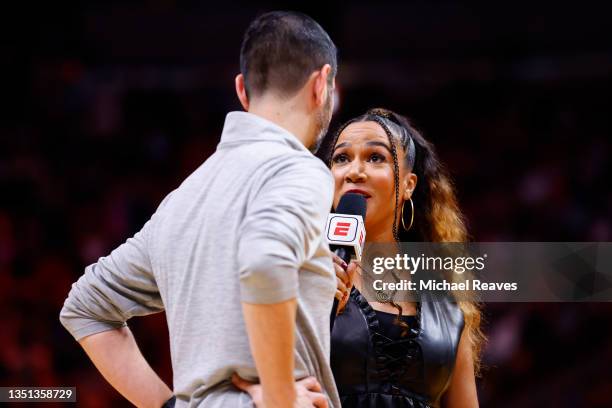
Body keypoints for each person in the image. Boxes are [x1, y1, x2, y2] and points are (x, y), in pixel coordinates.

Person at [60, 11, 342, 408]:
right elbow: (265, 262)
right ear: (320, 86)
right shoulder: (301, 170)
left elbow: (85, 308)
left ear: (243, 91)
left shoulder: (182, 199)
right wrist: (279, 397)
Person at [322, 108, 485, 407]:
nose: (354, 171)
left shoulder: (447, 304)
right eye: (341, 158)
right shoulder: (305, 277)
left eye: (375, 158)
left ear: (408, 185)